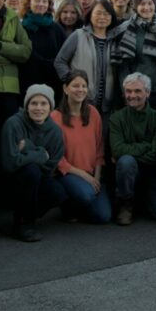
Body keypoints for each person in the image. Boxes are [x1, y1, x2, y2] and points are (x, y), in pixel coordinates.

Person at [0, 84, 67, 242]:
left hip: (40, 176)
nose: (38, 108)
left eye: (43, 104)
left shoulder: (55, 131)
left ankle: (26, 214)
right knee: (31, 170)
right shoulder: (13, 124)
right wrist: (40, 154)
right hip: (11, 179)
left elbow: (50, 166)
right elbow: (10, 163)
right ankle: (24, 223)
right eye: (33, 103)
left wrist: (27, 148)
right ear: (26, 106)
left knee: (58, 192)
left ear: (50, 107)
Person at [51, 70, 111, 224]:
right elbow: (57, 158)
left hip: (92, 174)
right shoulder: (55, 117)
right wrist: (85, 177)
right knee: (87, 195)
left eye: (84, 86)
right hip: (68, 174)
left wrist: (96, 177)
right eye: (75, 86)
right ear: (65, 89)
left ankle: (78, 207)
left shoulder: (93, 113)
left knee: (103, 217)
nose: (80, 90)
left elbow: (99, 149)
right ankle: (69, 204)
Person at [108, 73, 156, 225]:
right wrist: (146, 146)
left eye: (137, 91)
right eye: (128, 91)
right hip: (128, 172)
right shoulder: (117, 118)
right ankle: (126, 203)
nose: (132, 95)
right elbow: (117, 150)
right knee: (126, 162)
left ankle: (141, 198)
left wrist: (130, 151)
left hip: (151, 173)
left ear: (147, 93)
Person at [55, 0, 127, 118]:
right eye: (98, 13)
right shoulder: (78, 35)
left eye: (106, 14)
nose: (102, 17)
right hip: (81, 100)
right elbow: (60, 61)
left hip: (107, 103)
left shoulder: (115, 39)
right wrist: (71, 80)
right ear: (90, 15)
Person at [19, 0, 67, 104]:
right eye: (37, 0)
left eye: (44, 1)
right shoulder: (21, 27)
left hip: (52, 80)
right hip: (26, 79)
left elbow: (64, 54)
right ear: (29, 3)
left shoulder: (56, 28)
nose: (41, 4)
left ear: (49, 5)